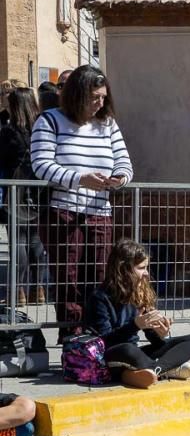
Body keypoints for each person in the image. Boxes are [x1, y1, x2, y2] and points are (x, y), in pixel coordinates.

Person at [31, 64, 133, 342]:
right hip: (63, 212)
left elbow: (124, 163)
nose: (99, 103)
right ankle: (72, 336)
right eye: (93, 97)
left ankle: (97, 332)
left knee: (99, 275)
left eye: (103, 97)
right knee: (69, 277)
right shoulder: (49, 121)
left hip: (100, 212)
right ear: (77, 95)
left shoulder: (108, 124)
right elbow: (41, 165)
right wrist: (80, 179)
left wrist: (119, 179)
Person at [84, 239, 190, 388]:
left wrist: (161, 333)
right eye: (141, 268)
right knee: (128, 349)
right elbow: (104, 341)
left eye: (146, 267)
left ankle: (154, 371)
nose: (146, 273)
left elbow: (154, 340)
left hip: (136, 356)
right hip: (110, 356)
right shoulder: (100, 297)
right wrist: (135, 325)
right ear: (124, 269)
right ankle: (166, 369)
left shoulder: (139, 291)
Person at [0, 86, 50, 306]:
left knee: (18, 241)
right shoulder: (43, 128)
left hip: (15, 193)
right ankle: (37, 289)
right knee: (36, 240)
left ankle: (17, 291)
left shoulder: (9, 132)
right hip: (40, 192)